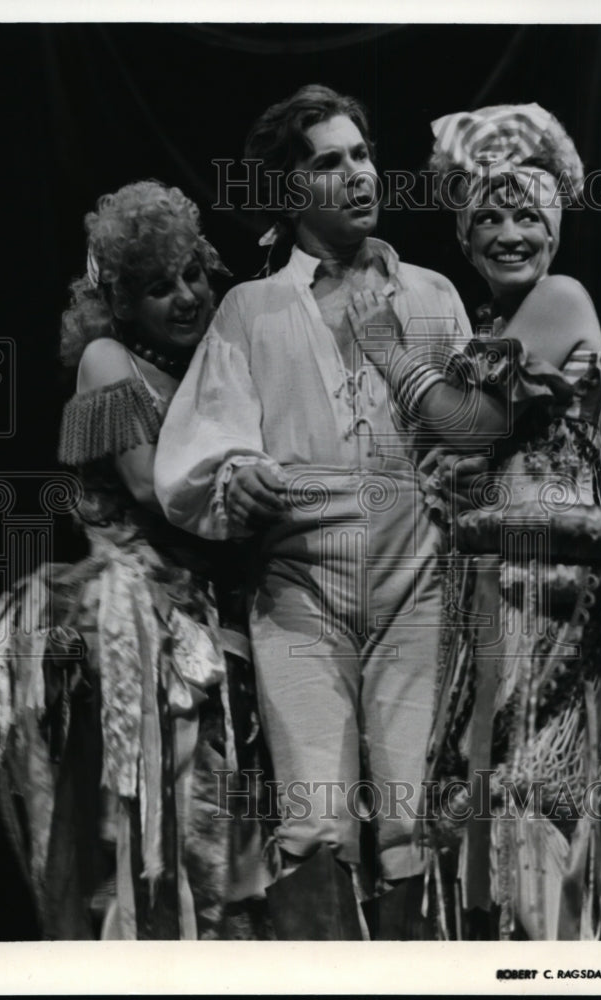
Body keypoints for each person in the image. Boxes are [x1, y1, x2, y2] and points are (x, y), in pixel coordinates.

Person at [154, 84, 472, 940]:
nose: (357, 174)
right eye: (328, 162)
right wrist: (240, 479)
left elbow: (475, 438)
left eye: (361, 154)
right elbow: (201, 457)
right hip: (299, 594)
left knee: (411, 818)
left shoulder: (436, 296)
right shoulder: (249, 310)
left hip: (416, 586)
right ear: (291, 190)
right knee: (316, 820)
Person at [349, 103, 601, 940]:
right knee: (493, 788)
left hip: (555, 579)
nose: (508, 233)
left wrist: (391, 356)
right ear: (461, 239)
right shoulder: (491, 329)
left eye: (527, 214)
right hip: (506, 581)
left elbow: (471, 426)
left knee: (530, 784)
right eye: (486, 218)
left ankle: (550, 960)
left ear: (554, 229)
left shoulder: (560, 297)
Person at [0, 180, 269, 940]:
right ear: (120, 304)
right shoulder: (107, 360)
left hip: (210, 609)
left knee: (219, 823)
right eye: (160, 287)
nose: (189, 296)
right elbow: (153, 487)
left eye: (194, 274)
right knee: (146, 822)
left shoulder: (212, 366)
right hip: (134, 614)